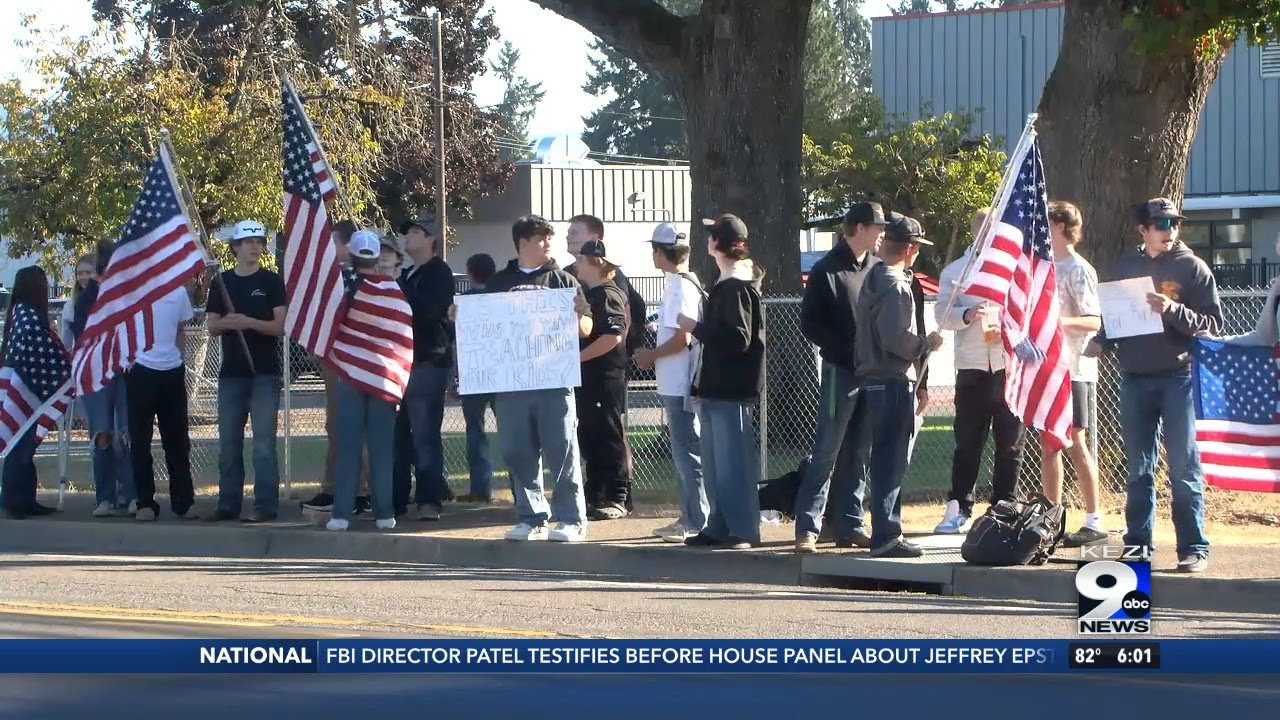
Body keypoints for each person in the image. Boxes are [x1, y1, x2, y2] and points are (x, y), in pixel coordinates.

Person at [1085, 197, 1221, 573]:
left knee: (1182, 466)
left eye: (1173, 223)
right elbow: (1117, 315)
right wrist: (1102, 340)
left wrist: (1172, 309)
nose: (1169, 230)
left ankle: (1193, 548)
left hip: (1177, 377)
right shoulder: (1127, 264)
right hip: (1134, 377)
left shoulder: (1192, 267)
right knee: (1138, 469)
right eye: (1161, 224)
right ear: (1142, 229)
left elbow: (1212, 324)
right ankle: (1138, 545)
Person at [475, 215, 592, 542]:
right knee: (517, 451)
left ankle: (571, 519)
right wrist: (462, 317)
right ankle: (532, 518)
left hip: (553, 382)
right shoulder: (499, 282)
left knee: (562, 450)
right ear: (523, 243)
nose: (548, 243)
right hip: (511, 385)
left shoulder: (564, 280)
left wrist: (581, 316)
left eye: (549, 238)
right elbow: (484, 330)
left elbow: (586, 330)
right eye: (541, 238)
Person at [792, 202, 886, 553]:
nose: (881, 235)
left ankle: (850, 524)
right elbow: (810, 324)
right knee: (827, 450)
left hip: (872, 374)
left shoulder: (877, 269)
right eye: (877, 228)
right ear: (859, 228)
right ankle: (808, 528)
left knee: (860, 450)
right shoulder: (826, 270)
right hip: (839, 373)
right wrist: (845, 349)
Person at [853, 213, 944, 558]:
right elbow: (894, 337)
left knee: (881, 458)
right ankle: (887, 534)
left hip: (872, 379)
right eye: (918, 247)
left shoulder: (873, 277)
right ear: (909, 248)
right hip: (892, 380)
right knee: (891, 460)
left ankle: (884, 530)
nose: (918, 253)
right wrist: (925, 344)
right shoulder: (895, 285)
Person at [931, 208, 1026, 534]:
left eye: (995, 231)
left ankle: (1004, 506)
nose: (989, 237)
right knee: (968, 442)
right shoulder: (957, 271)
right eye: (984, 230)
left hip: (1008, 366)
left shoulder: (1013, 270)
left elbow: (1028, 312)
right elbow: (942, 313)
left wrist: (1011, 329)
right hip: (972, 367)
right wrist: (968, 313)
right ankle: (959, 507)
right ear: (975, 232)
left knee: (1010, 443)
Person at [676, 214, 765, 550]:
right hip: (718, 386)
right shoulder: (728, 282)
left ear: (718, 244)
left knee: (733, 466)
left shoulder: (736, 286)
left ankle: (742, 529)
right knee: (715, 465)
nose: (707, 242)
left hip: (732, 388)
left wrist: (694, 326)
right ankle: (719, 526)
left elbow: (738, 339)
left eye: (711, 236)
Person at [204, 220, 287, 523]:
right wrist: (232, 323)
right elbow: (212, 324)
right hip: (231, 375)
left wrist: (248, 322)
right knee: (228, 444)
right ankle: (228, 504)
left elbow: (279, 326)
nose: (255, 246)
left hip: (264, 373)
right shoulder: (222, 283)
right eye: (248, 241)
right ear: (235, 247)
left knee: (264, 444)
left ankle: (265, 505)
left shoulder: (271, 281)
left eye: (259, 241)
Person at [633, 223, 708, 543]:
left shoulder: (679, 285)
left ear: (662, 252)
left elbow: (683, 338)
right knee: (686, 452)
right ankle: (691, 516)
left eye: (654, 249)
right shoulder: (683, 282)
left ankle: (694, 519)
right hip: (680, 382)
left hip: (681, 384)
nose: (652, 254)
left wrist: (650, 355)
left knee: (687, 452)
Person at [327, 229, 405, 532]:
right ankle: (385, 513)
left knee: (348, 446)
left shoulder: (341, 285)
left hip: (349, 374)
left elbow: (329, 320)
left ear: (352, 253)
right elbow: (402, 336)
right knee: (381, 448)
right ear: (375, 257)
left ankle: (342, 514)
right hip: (384, 377)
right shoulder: (393, 289)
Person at [1043, 201, 1107, 547]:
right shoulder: (1044, 266)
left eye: (1047, 222)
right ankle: (1052, 516)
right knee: (1049, 442)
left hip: (1074, 368)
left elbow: (1093, 320)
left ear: (1062, 226)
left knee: (1075, 441)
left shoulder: (1078, 269)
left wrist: (1057, 323)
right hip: (1047, 367)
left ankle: (1094, 517)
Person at [302, 219, 371, 516]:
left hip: (360, 362)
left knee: (361, 428)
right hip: (335, 361)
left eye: (333, 242)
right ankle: (333, 489)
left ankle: (363, 491)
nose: (329, 249)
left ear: (347, 245)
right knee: (336, 426)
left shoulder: (363, 281)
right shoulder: (333, 279)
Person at [393, 221, 455, 521]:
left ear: (431, 239)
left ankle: (430, 498)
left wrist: (401, 288)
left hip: (429, 360)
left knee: (424, 433)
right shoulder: (406, 274)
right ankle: (395, 498)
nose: (408, 237)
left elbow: (430, 311)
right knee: (398, 433)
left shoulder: (438, 272)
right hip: (400, 361)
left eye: (415, 232)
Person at [75, 243, 137, 518]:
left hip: (125, 372)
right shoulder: (89, 296)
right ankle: (104, 498)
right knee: (102, 435)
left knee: (126, 434)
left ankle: (133, 494)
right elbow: (82, 333)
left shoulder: (127, 293)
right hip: (97, 374)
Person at [574, 239, 634, 519]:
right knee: (590, 436)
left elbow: (612, 336)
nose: (577, 264)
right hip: (590, 378)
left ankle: (617, 494)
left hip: (605, 376)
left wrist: (578, 359)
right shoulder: (590, 294)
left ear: (596, 263)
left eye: (581, 260)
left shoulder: (608, 294)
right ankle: (596, 492)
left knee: (608, 436)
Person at [127, 282, 197, 522]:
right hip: (141, 371)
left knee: (177, 440)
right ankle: (145, 502)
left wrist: (179, 359)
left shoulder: (177, 291)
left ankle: (183, 502)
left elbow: (180, 329)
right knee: (140, 441)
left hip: (172, 371)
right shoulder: (132, 289)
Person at [0, 266, 65, 519]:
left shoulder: (20, 313)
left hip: (22, 385)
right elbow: (35, 349)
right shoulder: (27, 316)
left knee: (25, 447)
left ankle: (26, 499)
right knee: (19, 446)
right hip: (23, 387)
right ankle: (15, 501)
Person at [566, 214, 647, 356]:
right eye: (568, 233)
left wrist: (618, 354)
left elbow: (622, 321)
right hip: (582, 365)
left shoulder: (611, 279)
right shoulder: (566, 274)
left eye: (574, 233)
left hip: (605, 367)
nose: (567, 237)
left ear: (594, 238)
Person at [454, 253, 497, 503]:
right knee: (510, 431)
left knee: (475, 431)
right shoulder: (500, 301)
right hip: (501, 373)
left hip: (473, 372)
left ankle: (480, 488)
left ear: (470, 274)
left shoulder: (464, 303)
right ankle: (519, 488)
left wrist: (455, 377)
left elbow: (458, 342)